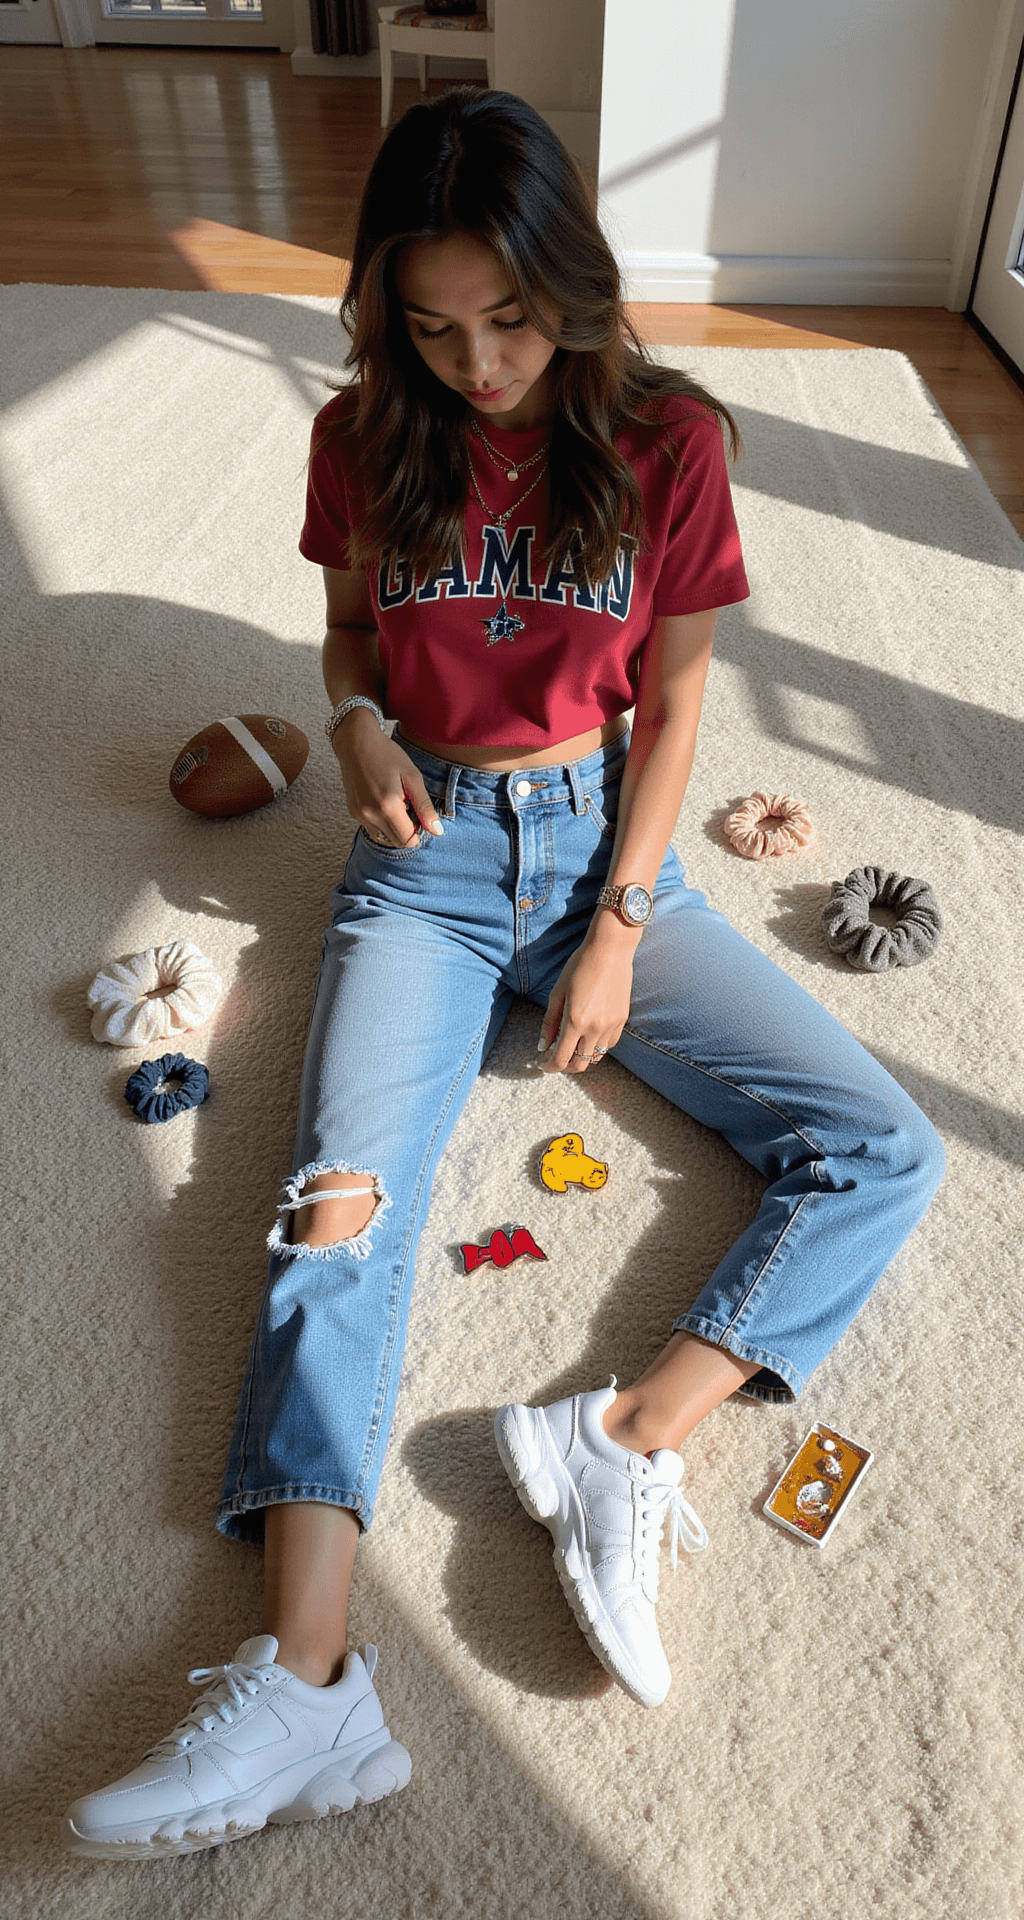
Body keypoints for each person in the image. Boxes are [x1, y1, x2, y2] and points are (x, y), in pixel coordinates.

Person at [65, 87, 944, 1860]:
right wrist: (357, 722)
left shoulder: (669, 440)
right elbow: (344, 634)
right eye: (434, 325)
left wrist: (616, 926)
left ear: (575, 288)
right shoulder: (364, 432)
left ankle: (625, 1436)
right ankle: (309, 1684)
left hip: (610, 843)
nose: (478, 363)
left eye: (514, 320)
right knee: (334, 1215)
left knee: (885, 1147)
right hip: (425, 864)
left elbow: (677, 705)